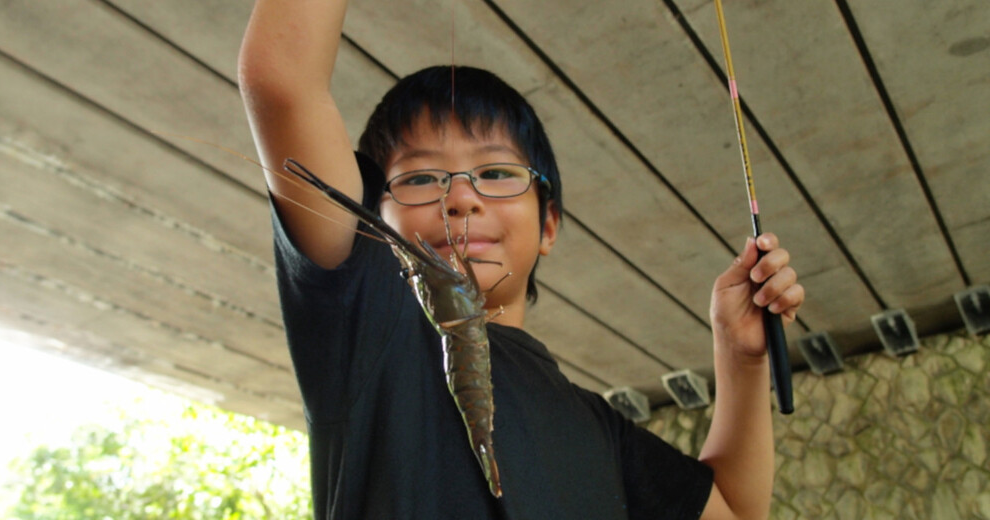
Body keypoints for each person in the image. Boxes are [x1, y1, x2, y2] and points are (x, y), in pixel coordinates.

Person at [238, 1, 804, 519]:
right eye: (418, 177)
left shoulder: (599, 429)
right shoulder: (368, 328)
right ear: (377, 223)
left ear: (549, 225)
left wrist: (739, 357)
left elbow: (733, 511)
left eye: (496, 173)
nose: (459, 197)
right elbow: (282, 79)